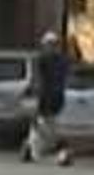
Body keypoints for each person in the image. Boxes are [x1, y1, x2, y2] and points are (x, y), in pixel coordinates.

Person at [23, 31, 72, 167]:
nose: (47, 48)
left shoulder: (44, 60)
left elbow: (39, 81)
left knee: (46, 125)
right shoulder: (63, 60)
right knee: (43, 125)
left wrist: (35, 93)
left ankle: (60, 152)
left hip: (49, 98)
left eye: (49, 45)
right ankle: (32, 149)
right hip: (55, 97)